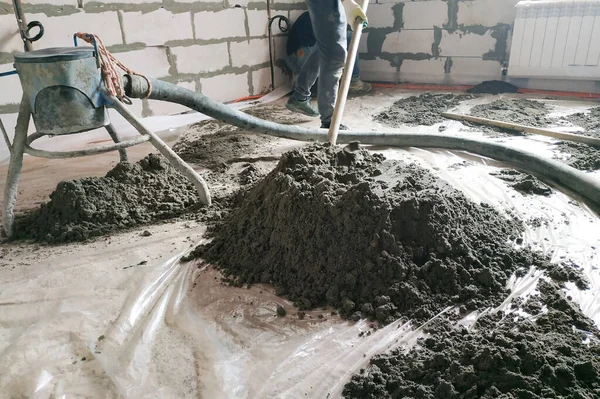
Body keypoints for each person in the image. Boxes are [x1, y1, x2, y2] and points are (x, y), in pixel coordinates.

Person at [285, 1, 369, 129]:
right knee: (335, 57)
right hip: (298, 56)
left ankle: (300, 96)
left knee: (324, 50)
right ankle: (329, 121)